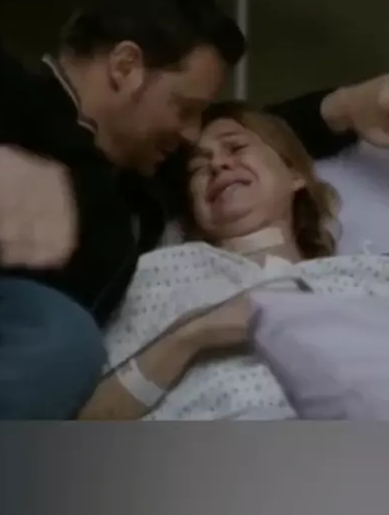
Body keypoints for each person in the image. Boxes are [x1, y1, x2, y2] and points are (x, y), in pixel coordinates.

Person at [0, 0, 388, 418]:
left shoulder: (140, 187)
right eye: (185, 108)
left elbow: (257, 147)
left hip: (6, 384)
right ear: (125, 66)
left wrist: (345, 107)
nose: (192, 135)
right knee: (59, 334)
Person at [81, 100, 389, 421]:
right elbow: (89, 424)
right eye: (198, 168)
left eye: (236, 147)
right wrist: (193, 334)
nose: (218, 164)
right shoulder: (159, 275)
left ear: (294, 174)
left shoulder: (367, 275)